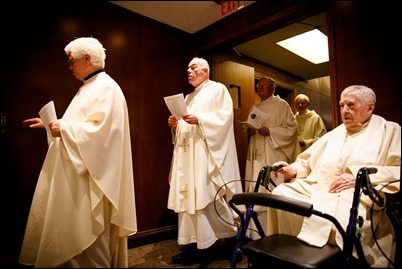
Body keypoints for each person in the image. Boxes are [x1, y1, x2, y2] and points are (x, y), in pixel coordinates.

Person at [18, 37, 137, 268]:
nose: (69, 66)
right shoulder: (88, 88)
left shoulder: (107, 88)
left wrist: (63, 127)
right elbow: (83, 124)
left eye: (72, 61)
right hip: (77, 174)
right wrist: (51, 124)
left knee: (89, 235)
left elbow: (103, 134)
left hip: (91, 179)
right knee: (72, 229)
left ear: (87, 59)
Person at [269, 85, 400, 268]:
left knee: (340, 220)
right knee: (280, 194)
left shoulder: (389, 130)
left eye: (351, 105)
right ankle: (287, 255)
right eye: (342, 105)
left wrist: (360, 178)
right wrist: (293, 169)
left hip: (357, 192)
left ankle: (337, 262)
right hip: (319, 186)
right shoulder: (336, 133)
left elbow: (397, 168)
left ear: (370, 107)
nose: (344, 111)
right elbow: (307, 161)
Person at [167, 57, 243, 265]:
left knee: (207, 195)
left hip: (205, 156)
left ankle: (225, 242)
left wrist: (201, 120)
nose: (189, 71)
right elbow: (186, 124)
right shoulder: (189, 97)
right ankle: (192, 244)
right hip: (188, 156)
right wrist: (176, 124)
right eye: (187, 68)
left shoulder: (218, 90)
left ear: (206, 71)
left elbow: (225, 118)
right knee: (189, 199)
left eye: (193, 68)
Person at [243, 76, 298, 239]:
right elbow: (248, 126)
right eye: (258, 86)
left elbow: (292, 129)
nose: (260, 88)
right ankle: (254, 234)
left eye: (264, 86)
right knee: (255, 188)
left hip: (272, 154)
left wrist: (271, 131)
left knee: (269, 191)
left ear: (273, 88)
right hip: (256, 154)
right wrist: (249, 131)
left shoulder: (282, 105)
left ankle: (273, 234)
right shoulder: (255, 106)